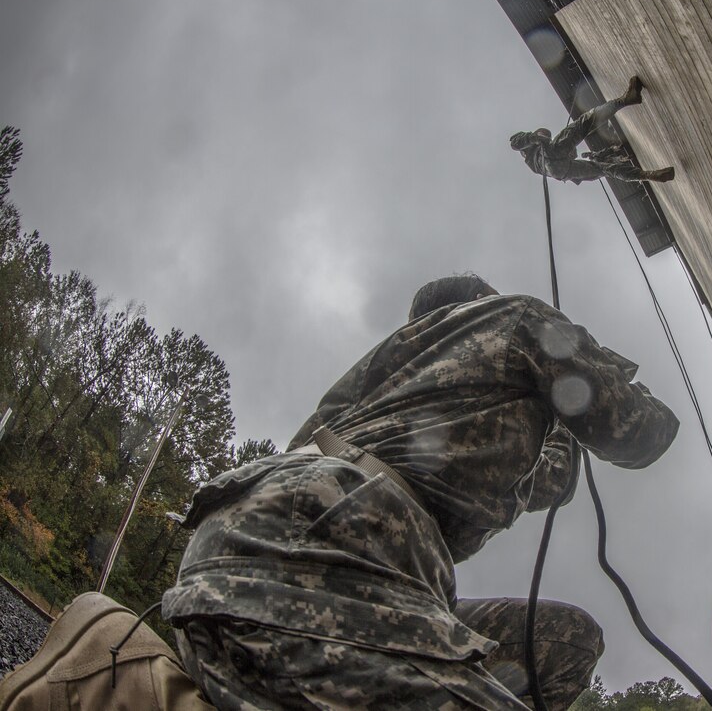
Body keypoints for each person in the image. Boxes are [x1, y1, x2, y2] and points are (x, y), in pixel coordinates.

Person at [161, 274, 679, 710]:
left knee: (567, 640)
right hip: (321, 566)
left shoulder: (373, 386)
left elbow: (546, 482)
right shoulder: (513, 317)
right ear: (480, 303)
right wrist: (593, 384)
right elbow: (637, 432)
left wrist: (554, 422)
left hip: (221, 565)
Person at [509, 76, 676, 184]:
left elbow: (569, 157)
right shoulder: (529, 147)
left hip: (562, 172)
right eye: (544, 134)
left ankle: (649, 175)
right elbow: (514, 143)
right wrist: (534, 138)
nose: (546, 135)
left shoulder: (536, 164)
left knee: (605, 169)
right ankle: (627, 99)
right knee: (587, 121)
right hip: (553, 158)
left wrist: (567, 151)